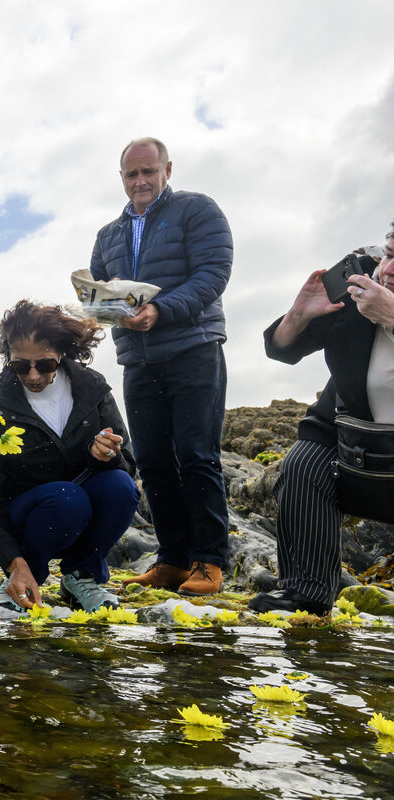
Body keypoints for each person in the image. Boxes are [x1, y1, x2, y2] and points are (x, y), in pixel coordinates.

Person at [89, 136, 233, 596]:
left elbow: (213, 273)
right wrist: (101, 306)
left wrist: (161, 310)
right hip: (138, 360)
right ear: (121, 177)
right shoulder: (107, 235)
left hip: (195, 348)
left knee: (197, 455)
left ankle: (209, 561)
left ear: (167, 170)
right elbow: (97, 292)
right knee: (152, 461)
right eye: (131, 174)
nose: (140, 181)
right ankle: (172, 560)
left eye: (148, 171)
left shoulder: (197, 210)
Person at [249, 229, 394, 615]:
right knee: (302, 464)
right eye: (389, 256)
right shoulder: (362, 278)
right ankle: (306, 595)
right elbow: (283, 348)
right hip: (352, 443)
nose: (389, 270)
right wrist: (298, 315)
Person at [0, 301, 139, 612]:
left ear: (61, 354)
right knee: (66, 497)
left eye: (44, 365)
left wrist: (107, 457)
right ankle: (22, 580)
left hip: (80, 503)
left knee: (121, 486)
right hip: (27, 514)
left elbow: (127, 464)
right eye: (20, 366)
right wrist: (14, 563)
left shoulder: (92, 389)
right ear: (8, 359)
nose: (32, 375)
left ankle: (81, 577)